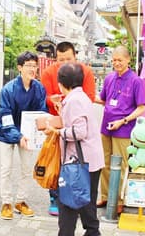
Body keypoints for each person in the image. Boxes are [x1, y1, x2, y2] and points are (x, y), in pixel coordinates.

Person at [45, 63, 104, 236]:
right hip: (89, 162)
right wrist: (61, 110)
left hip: (78, 163)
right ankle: (93, 233)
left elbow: (79, 131)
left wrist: (57, 132)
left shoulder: (74, 100)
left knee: (68, 205)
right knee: (86, 204)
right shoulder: (80, 97)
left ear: (61, 83)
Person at [40, 41, 96, 216]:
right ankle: (54, 197)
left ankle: (78, 199)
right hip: (56, 122)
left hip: (77, 123)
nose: (64, 63)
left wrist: (67, 101)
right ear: (56, 58)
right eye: (61, 59)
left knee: (76, 162)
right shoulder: (49, 72)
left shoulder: (85, 71)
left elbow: (90, 97)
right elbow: (44, 96)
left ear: (75, 56)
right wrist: (54, 100)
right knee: (54, 160)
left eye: (68, 59)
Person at [0, 51, 48, 220]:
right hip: (7, 132)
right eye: (29, 65)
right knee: (6, 169)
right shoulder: (8, 89)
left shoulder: (39, 88)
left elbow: (42, 112)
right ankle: (6, 202)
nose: (33, 69)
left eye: (34, 65)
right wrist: (17, 136)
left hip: (28, 134)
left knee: (27, 169)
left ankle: (21, 201)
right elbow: (5, 116)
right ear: (20, 67)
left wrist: (43, 128)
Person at [95, 45, 145, 214]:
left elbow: (141, 108)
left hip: (123, 128)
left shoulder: (135, 81)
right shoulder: (109, 78)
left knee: (121, 164)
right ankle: (104, 195)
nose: (116, 63)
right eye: (114, 60)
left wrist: (123, 120)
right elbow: (103, 100)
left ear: (128, 60)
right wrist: (82, 95)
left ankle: (119, 200)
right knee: (105, 163)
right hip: (106, 126)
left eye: (120, 60)